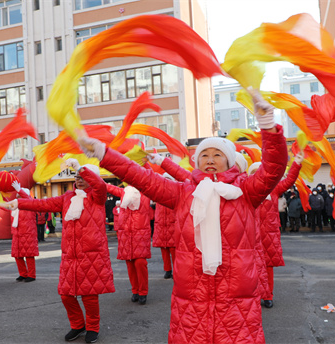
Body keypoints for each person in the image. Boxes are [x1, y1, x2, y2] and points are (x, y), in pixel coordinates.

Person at [79, 90, 287, 343]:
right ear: (196, 162)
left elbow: (274, 168)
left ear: (230, 161)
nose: (210, 160)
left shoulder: (245, 191)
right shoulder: (183, 192)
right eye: (204, 156)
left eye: (217, 155)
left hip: (236, 293)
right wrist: (104, 154)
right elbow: (141, 177)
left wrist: (268, 126)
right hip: (192, 294)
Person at [0, 159, 114, 344]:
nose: (79, 179)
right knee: (66, 295)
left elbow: (100, 185)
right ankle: (78, 325)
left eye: (83, 177)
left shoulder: (97, 197)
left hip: (92, 254)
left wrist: (80, 168)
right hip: (71, 255)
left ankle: (93, 327)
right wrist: (18, 204)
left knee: (89, 295)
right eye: (77, 177)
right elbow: (42, 205)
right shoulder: (67, 197)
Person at [249, 153, 302, 308]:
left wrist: (296, 164)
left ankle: (268, 295)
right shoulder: (245, 191)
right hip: (249, 235)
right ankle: (252, 295)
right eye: (254, 173)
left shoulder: (273, 189)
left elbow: (289, 180)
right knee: (249, 267)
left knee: (268, 267)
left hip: (269, 234)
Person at [107, 183, 151, 305]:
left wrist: (146, 163)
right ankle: (135, 290)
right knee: (130, 264)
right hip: (126, 234)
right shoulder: (123, 192)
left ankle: (143, 292)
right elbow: (105, 186)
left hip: (140, 234)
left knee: (140, 262)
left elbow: (153, 180)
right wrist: (87, 174)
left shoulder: (146, 193)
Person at [152, 173, 178, 280]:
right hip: (161, 225)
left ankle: (176, 271)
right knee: (164, 249)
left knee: (173, 250)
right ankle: (167, 270)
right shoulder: (158, 193)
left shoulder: (176, 193)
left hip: (172, 224)